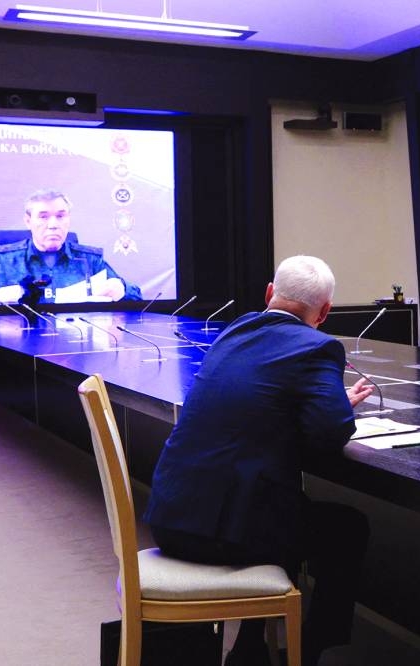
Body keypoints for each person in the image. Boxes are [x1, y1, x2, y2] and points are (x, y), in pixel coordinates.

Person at [143, 255, 374, 666]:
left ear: (270, 294)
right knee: (344, 527)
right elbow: (329, 433)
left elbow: (262, 407)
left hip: (169, 518)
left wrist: (323, 405)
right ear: (324, 313)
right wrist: (337, 406)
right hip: (224, 533)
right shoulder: (318, 346)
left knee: (278, 504)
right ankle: (311, 649)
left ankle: (251, 648)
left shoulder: (235, 331)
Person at [0, 189, 141, 305]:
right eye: (44, 217)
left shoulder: (89, 260)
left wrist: (122, 289)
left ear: (68, 220)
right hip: (19, 347)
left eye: (60, 216)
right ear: (28, 221)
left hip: (78, 344)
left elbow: (137, 297)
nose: (53, 224)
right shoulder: (3, 260)